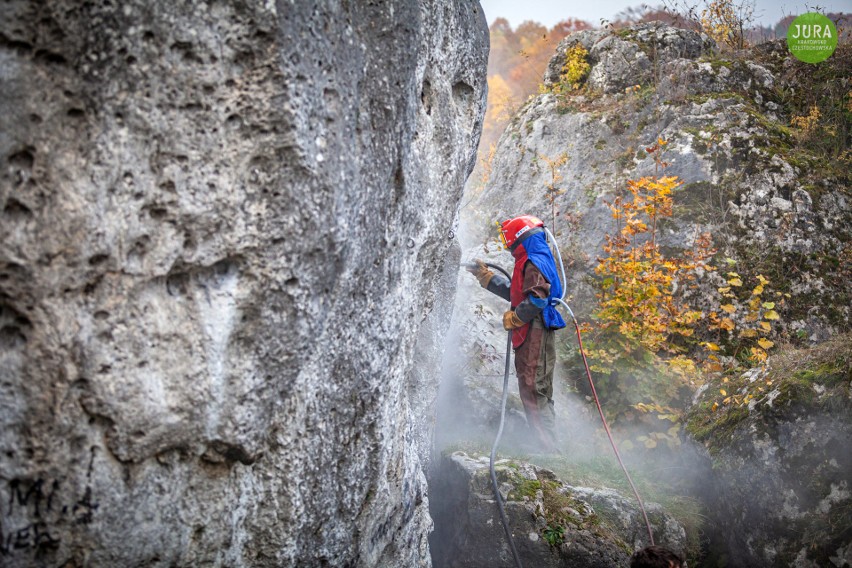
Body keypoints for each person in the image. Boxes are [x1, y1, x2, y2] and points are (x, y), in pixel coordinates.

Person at [467, 215, 566, 451]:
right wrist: (487, 277)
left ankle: (549, 450)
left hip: (536, 329)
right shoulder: (532, 258)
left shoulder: (533, 260)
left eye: (508, 237)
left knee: (533, 388)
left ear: (519, 236)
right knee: (535, 388)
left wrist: (517, 316)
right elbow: (517, 293)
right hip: (535, 329)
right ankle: (547, 446)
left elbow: (537, 299)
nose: (507, 243)